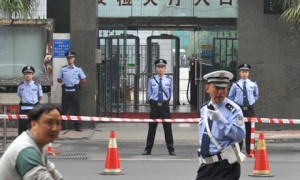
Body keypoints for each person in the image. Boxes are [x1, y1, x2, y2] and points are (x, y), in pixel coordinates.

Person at [196, 70, 246, 180]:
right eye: (217, 88)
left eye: (223, 88)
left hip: (226, 165)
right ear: (207, 88)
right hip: (206, 166)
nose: (220, 92)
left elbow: (240, 135)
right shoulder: (204, 108)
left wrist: (221, 120)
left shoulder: (233, 110)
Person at [0, 104, 64, 180]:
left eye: (58, 123)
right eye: (49, 123)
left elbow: (54, 174)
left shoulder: (37, 145)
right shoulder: (26, 151)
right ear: (34, 125)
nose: (54, 128)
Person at [142, 59, 176, 156]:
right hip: (155, 105)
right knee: (152, 128)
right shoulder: (151, 80)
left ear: (165, 68)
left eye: (162, 67)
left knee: (168, 128)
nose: (160, 69)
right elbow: (149, 93)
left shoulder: (169, 80)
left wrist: (165, 101)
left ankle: (171, 149)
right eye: (158, 67)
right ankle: (148, 149)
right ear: (155, 68)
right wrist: (153, 101)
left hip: (165, 105)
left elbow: (170, 93)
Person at [228, 64, 259, 157]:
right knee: (239, 129)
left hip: (249, 109)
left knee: (250, 130)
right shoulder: (235, 85)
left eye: (246, 72)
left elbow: (256, 95)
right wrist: (237, 104)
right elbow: (231, 96)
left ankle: (250, 151)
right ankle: (239, 151)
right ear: (239, 73)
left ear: (248, 73)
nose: (244, 74)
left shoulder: (253, 84)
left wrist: (251, 101)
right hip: (239, 109)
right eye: (242, 72)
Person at [57, 51, 86, 131]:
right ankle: (63, 125)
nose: (69, 59)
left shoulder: (78, 69)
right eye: (68, 58)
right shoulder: (63, 69)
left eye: (71, 58)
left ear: (74, 59)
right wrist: (65, 81)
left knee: (76, 108)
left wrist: (76, 82)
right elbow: (58, 79)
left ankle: (77, 125)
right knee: (64, 109)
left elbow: (84, 79)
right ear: (67, 59)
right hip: (65, 90)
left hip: (74, 90)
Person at [17, 65, 43, 135]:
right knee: (22, 128)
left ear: (32, 75)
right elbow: (20, 96)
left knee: (34, 127)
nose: (28, 75)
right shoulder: (20, 86)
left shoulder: (37, 85)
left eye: (29, 73)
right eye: (26, 74)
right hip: (23, 109)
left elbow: (40, 97)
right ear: (24, 75)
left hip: (33, 109)